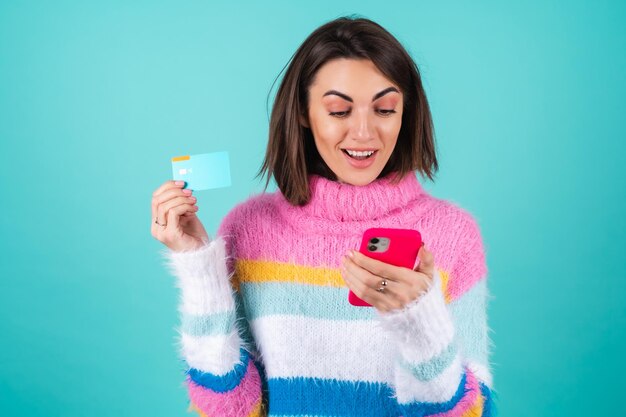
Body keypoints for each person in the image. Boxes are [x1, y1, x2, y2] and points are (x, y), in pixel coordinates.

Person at [151, 16, 497, 417]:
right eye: (339, 111)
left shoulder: (453, 235)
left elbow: (475, 412)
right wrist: (200, 271)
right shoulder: (249, 229)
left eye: (385, 109)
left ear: (406, 115)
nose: (365, 133)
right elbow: (228, 408)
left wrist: (422, 328)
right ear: (302, 112)